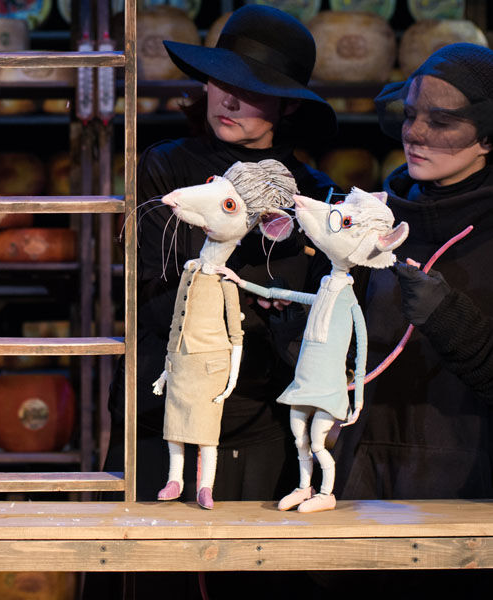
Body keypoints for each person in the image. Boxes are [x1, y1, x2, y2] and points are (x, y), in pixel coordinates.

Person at [86, 5, 339, 598]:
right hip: (163, 404)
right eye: (221, 80)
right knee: (150, 578)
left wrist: (268, 306)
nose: (228, 99)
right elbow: (156, 282)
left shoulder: (313, 195)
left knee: (252, 580)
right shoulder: (167, 166)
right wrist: (254, 294)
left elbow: (310, 316)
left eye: (252, 90)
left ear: (288, 105)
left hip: (260, 414)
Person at [336, 42, 493, 503]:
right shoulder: (374, 219)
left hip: (469, 492)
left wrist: (450, 320)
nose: (415, 133)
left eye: (441, 122)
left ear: (487, 136)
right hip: (363, 478)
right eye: (409, 115)